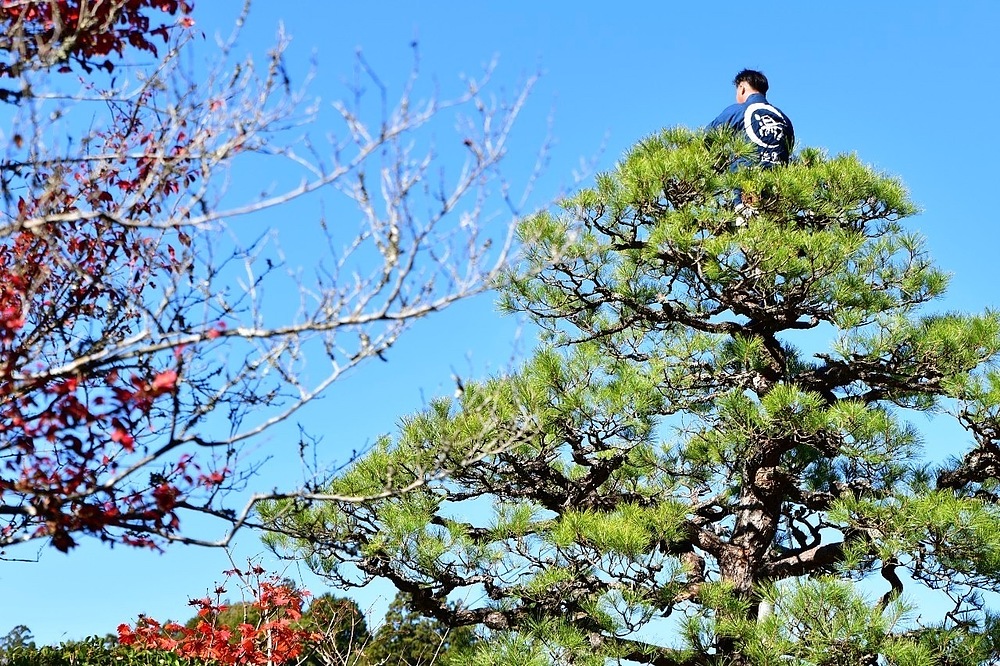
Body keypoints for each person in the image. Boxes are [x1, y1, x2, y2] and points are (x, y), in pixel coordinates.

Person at [709, 69, 794, 169]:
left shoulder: (736, 111)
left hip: (742, 179)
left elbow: (706, 139)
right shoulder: (784, 119)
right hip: (778, 181)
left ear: (742, 89)